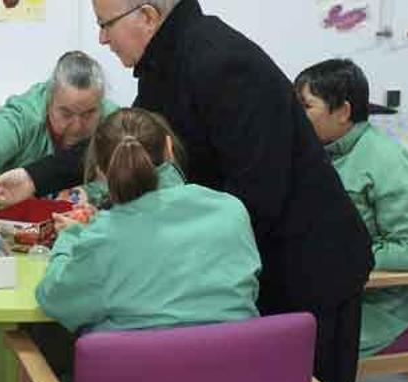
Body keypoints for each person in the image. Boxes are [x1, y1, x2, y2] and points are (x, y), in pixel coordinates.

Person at [0, 0, 373, 382]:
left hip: (311, 263)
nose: (102, 38)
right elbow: (128, 139)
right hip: (259, 259)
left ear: (146, 16)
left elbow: (259, 196)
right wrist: (34, 176)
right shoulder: (172, 57)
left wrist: (169, 254)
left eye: (105, 23)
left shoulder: (220, 62)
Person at [37, 107, 261, 333]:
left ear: (101, 171)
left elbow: (54, 300)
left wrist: (72, 237)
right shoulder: (231, 211)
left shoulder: (103, 238)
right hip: (237, 364)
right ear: (170, 148)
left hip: (141, 367)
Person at [295, 59, 408, 357]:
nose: (295, 116)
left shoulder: (387, 161)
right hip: (326, 285)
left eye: (306, 106)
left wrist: (341, 256)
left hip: (376, 301)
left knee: (295, 348)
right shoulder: (317, 152)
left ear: (343, 111)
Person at [0, 51, 117, 202]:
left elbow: (131, 177)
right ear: (49, 100)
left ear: (100, 104)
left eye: (88, 114)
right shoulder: (23, 116)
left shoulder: (113, 120)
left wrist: (92, 192)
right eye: (66, 114)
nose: (77, 126)